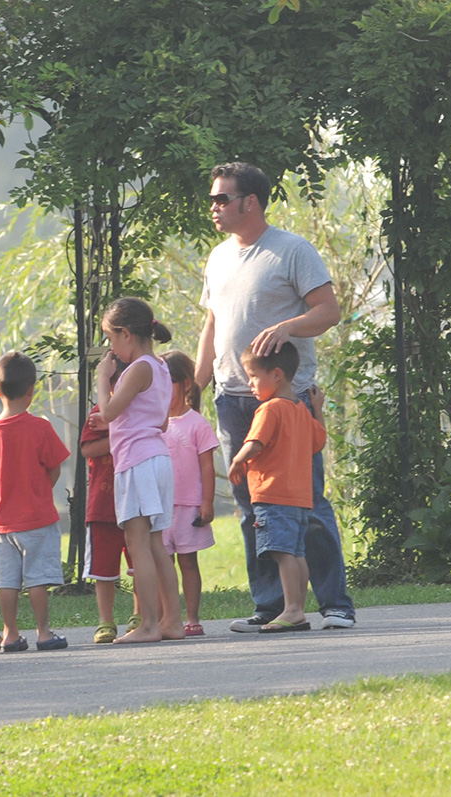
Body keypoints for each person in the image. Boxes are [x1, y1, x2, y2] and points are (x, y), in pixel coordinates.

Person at [196, 161, 356, 631]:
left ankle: (335, 605)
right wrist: (196, 385)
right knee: (252, 507)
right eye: (213, 198)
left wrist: (287, 326)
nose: (214, 207)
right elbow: (212, 325)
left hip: (286, 402)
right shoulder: (218, 256)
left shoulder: (292, 251)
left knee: (306, 503)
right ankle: (272, 606)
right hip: (233, 398)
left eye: (222, 198)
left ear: (251, 202)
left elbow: (328, 311)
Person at [95, 297, 185, 644]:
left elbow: (109, 412)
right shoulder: (161, 367)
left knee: (138, 544)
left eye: (111, 338)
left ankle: (148, 624)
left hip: (137, 462)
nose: (111, 348)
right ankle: (171, 622)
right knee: (155, 543)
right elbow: (160, 420)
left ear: (125, 334)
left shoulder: (138, 369)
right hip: (157, 458)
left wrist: (104, 379)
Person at [228, 343, 327, 633]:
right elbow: (317, 442)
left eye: (253, 376)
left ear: (277, 375)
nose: (250, 384)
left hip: (272, 494)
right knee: (296, 553)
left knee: (281, 552)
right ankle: (297, 608)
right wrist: (317, 409)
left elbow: (255, 443)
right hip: (299, 497)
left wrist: (237, 460)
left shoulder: (269, 409)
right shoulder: (300, 410)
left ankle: (292, 609)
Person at [0, 351, 70, 652]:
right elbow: (55, 465)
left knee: (7, 579)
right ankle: (44, 632)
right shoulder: (40, 428)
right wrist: (42, 488)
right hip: (38, 518)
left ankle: (10, 634)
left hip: (3, 522)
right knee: (38, 578)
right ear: (32, 390)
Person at [81, 359, 140, 643]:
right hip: (103, 507)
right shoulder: (96, 414)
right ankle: (106, 621)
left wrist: (114, 431)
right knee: (103, 572)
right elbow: (88, 449)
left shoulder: (139, 414)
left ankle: (139, 614)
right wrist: (118, 434)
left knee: (140, 562)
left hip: (136, 502)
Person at [160, 350, 219, 637]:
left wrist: (206, 502)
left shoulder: (197, 423)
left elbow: (207, 467)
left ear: (185, 384)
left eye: (167, 382)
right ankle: (166, 616)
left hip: (188, 507)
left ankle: (192, 616)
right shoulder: (153, 422)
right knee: (163, 563)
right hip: (159, 507)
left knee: (188, 562)